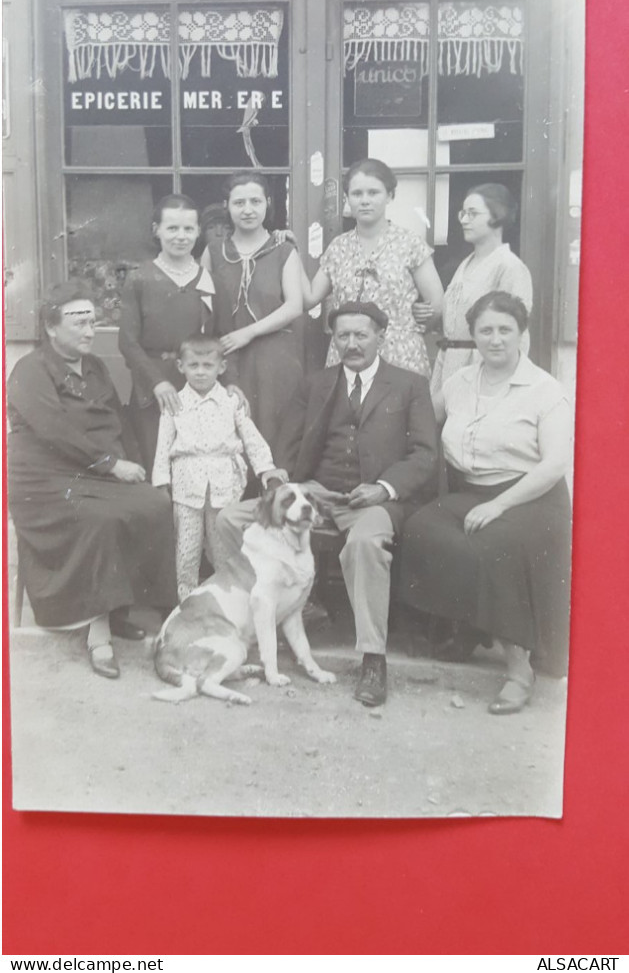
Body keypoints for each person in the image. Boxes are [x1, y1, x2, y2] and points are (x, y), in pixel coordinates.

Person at [216, 301, 438, 708]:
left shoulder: (410, 385)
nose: (351, 344)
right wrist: (281, 477)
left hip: (371, 500)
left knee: (365, 545)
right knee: (231, 519)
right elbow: (290, 440)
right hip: (313, 492)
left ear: (380, 337)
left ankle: (373, 658)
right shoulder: (317, 383)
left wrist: (384, 488)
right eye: (343, 336)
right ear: (334, 339)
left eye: (361, 335)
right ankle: (250, 625)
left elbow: (425, 455)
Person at [399, 291, 572, 714]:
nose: (495, 339)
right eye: (485, 330)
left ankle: (519, 669)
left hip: (532, 498)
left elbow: (553, 466)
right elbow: (420, 421)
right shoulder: (459, 382)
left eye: (504, 330)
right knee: (422, 528)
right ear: (473, 335)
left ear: (521, 334)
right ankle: (470, 626)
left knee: (496, 546)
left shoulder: (544, 390)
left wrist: (500, 506)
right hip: (472, 491)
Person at [7, 281, 177, 680]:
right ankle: (97, 634)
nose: (88, 332)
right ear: (51, 328)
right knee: (99, 520)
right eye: (78, 323)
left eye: (93, 323)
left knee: (154, 503)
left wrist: (139, 465)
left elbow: (117, 417)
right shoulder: (30, 369)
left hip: (96, 470)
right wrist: (109, 464)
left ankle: (119, 609)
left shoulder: (96, 367)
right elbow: (53, 431)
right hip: (44, 480)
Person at [152, 334, 282, 601]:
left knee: (222, 546)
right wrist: (161, 482)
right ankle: (186, 600)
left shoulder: (232, 401)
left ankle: (229, 599)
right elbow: (163, 445)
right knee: (186, 548)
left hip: (224, 483)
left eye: (207, 366)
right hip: (187, 485)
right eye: (193, 365)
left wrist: (266, 469)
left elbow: (251, 438)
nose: (200, 372)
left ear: (221, 368)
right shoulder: (174, 403)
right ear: (181, 367)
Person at [300, 158, 444, 378]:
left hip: (399, 356)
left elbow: (436, 304)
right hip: (348, 356)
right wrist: (290, 251)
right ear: (347, 199)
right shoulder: (339, 247)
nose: (365, 201)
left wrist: (415, 318)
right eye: (357, 194)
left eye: (373, 193)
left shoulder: (409, 243)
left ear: (390, 196)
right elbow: (309, 297)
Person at [206, 172, 304, 459]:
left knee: (277, 437)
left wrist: (247, 333)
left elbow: (294, 305)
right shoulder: (214, 252)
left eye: (255, 201)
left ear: (268, 204)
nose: (247, 209)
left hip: (275, 357)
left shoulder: (284, 250)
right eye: (239, 202)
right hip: (229, 357)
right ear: (227, 206)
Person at [118, 193, 215, 471]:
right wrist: (156, 382)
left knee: (193, 464)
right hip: (153, 389)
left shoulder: (207, 280)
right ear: (156, 230)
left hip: (196, 384)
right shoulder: (140, 278)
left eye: (188, 228)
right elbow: (127, 341)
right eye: (172, 228)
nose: (180, 236)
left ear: (198, 232)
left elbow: (217, 336)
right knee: (155, 464)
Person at [424, 183, 533, 397]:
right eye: (463, 213)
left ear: (497, 215)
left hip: (483, 371)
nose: (464, 220)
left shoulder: (509, 266)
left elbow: (516, 335)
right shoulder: (465, 264)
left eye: (472, 214)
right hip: (449, 365)